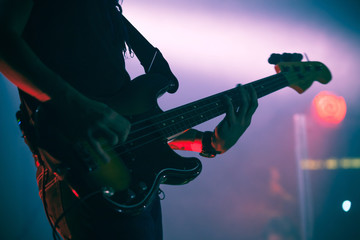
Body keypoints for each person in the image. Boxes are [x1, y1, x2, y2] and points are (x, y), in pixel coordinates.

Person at [0, 0, 258, 239]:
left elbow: (131, 125)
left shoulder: (107, 11)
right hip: (80, 171)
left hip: (130, 182)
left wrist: (208, 143)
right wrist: (78, 105)